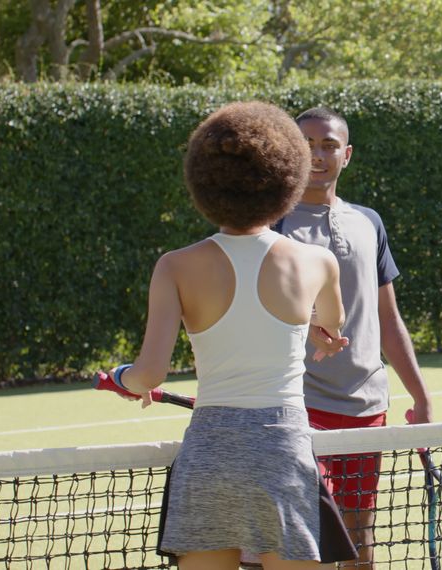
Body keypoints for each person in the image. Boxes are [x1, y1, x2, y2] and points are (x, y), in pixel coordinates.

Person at [97, 101, 357, 570]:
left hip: (209, 453)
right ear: (287, 179)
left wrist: (124, 378)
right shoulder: (317, 262)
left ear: (204, 181)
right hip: (282, 448)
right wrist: (320, 333)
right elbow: (333, 326)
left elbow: (148, 374)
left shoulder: (174, 266)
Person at [275, 106, 433, 568]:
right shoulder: (271, 224)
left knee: (359, 536)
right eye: (306, 145)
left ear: (347, 155)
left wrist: (419, 395)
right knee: (305, 539)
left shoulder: (370, 222)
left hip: (368, 409)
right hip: (301, 407)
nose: (317, 155)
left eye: (328, 145)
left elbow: (388, 316)